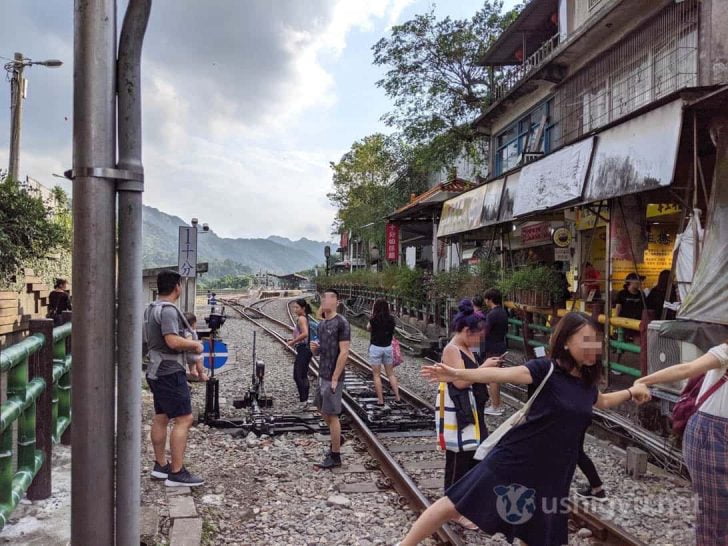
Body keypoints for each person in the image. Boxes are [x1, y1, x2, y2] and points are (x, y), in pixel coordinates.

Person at [396, 312, 651, 546]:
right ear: (565, 342)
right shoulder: (546, 370)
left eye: (596, 340)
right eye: (586, 339)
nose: (593, 346)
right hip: (517, 458)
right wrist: (454, 372)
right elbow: (502, 375)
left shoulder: (585, 383)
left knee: (539, 533)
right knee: (454, 504)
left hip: (554, 471)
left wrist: (631, 391)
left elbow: (603, 401)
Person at [636, 341, 728, 545]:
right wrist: (643, 381)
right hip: (712, 435)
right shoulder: (725, 352)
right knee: (716, 515)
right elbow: (686, 368)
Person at [144, 270, 205, 487]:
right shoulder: (168, 311)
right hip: (169, 371)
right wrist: (195, 345)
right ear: (177, 286)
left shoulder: (151, 308)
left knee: (161, 416)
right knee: (184, 418)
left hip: (155, 370)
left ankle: (161, 466)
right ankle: (177, 473)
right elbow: (171, 341)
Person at [440, 300, 496, 530]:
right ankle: (453, 508)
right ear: (465, 331)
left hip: (473, 411)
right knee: (459, 459)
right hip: (461, 413)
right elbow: (461, 382)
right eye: (476, 336)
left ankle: (465, 505)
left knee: (474, 456)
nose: (478, 340)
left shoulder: (464, 348)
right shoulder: (452, 349)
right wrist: (484, 369)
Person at [310, 288, 351, 469]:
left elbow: (344, 352)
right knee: (321, 408)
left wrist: (335, 376)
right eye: (322, 298)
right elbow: (322, 350)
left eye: (326, 298)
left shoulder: (342, 323)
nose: (323, 301)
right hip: (322, 373)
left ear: (335, 301)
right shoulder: (322, 324)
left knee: (332, 415)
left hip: (333, 376)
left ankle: (336, 456)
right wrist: (315, 349)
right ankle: (337, 438)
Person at [367, 299, 401, 406]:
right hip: (388, 348)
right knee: (390, 374)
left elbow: (368, 328)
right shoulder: (391, 319)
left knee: (377, 375)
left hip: (376, 348)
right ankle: (397, 397)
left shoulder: (373, 319)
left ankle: (381, 400)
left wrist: (372, 317)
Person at [481, 289, 508, 416]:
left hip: (492, 348)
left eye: (486, 299)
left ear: (489, 299)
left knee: (492, 377)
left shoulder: (492, 315)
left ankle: (495, 406)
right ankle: (498, 404)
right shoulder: (503, 312)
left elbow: (485, 332)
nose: (485, 301)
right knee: (496, 377)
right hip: (501, 345)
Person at [286, 298, 313, 408]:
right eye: (294, 307)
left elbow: (305, 333)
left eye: (297, 307)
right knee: (302, 375)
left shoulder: (301, 319)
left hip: (303, 349)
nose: (295, 309)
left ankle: (303, 401)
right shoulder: (304, 318)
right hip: (306, 349)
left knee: (298, 375)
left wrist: (292, 342)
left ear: (303, 308)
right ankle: (305, 400)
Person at [183, 312, 208, 382]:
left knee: (193, 362)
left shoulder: (191, 331)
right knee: (199, 358)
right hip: (187, 354)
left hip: (189, 353)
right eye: (195, 323)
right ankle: (201, 374)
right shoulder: (188, 333)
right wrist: (197, 345)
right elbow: (189, 344)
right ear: (192, 324)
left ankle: (193, 371)